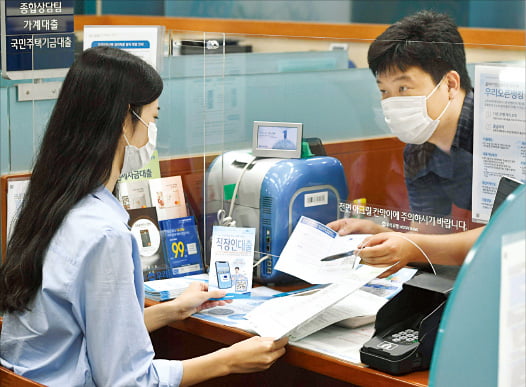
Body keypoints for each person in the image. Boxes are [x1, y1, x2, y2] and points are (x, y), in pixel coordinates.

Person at [0, 46, 287, 386]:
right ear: (125, 120)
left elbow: (75, 332)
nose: (152, 131)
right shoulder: (103, 234)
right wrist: (228, 361)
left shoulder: (50, 203)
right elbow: (129, 381)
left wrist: (172, 310)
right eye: (153, 118)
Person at [329, 10, 475, 236]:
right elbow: (429, 237)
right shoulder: (419, 148)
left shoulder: (495, 132)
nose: (392, 102)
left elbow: (505, 238)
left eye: (403, 88)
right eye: (384, 91)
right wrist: (379, 233)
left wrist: (402, 243)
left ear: (450, 85)